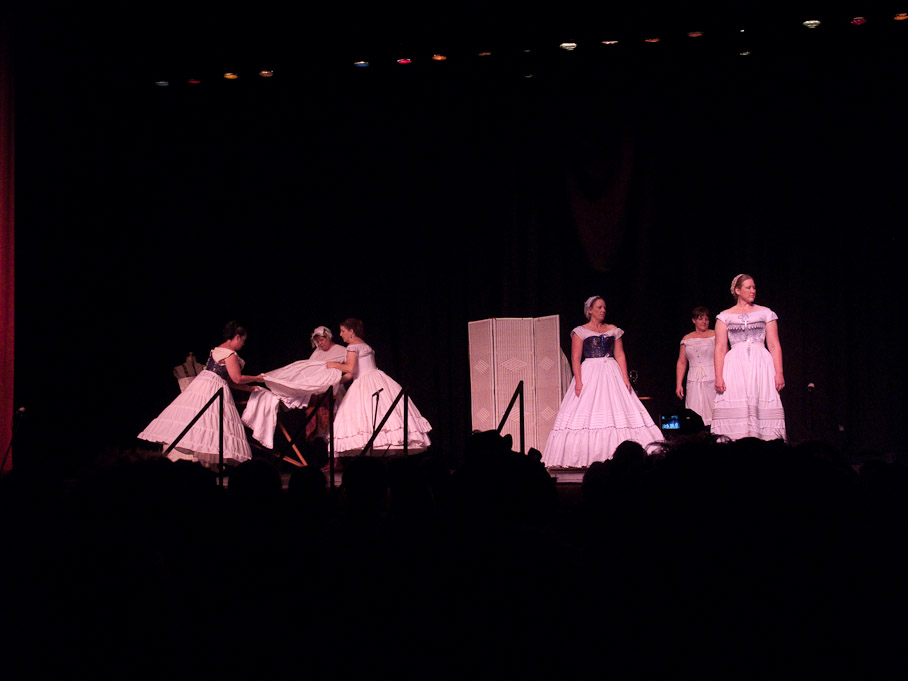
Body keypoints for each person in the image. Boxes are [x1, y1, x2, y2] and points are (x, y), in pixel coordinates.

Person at [541, 296, 663, 468]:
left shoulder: (613, 329)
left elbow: (620, 354)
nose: (603, 310)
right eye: (599, 307)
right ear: (590, 310)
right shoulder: (580, 331)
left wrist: (625, 378)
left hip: (611, 372)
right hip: (590, 372)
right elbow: (575, 358)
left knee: (618, 408)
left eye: (604, 307)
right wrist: (578, 381)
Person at [138, 320, 261, 467]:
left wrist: (250, 388)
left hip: (202, 384)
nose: (243, 344)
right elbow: (237, 378)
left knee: (202, 422)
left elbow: (230, 380)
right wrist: (257, 378)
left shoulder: (217, 350)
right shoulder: (230, 354)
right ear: (237, 337)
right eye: (243, 340)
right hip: (213, 389)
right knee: (210, 423)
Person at [325, 318, 432, 456]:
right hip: (375, 379)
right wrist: (335, 381)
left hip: (365, 383)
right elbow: (351, 374)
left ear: (351, 331)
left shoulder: (352, 346)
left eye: (343, 331)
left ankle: (373, 454)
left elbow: (349, 368)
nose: (340, 334)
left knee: (369, 415)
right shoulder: (364, 345)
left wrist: (333, 364)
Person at [711, 274, 786, 441]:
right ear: (738, 291)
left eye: (754, 287)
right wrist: (718, 376)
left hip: (761, 363)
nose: (753, 291)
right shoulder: (725, 316)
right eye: (748, 288)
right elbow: (720, 348)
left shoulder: (766, 313)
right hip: (735, 365)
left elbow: (774, 344)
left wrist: (779, 372)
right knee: (736, 402)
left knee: (760, 402)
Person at [675, 306, 717, 426]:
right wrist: (679, 384)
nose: (704, 322)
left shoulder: (715, 335)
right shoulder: (687, 339)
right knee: (694, 409)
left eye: (706, 319)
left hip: (712, 376)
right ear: (694, 320)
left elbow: (723, 355)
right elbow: (682, 362)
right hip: (694, 379)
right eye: (700, 319)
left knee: (713, 409)